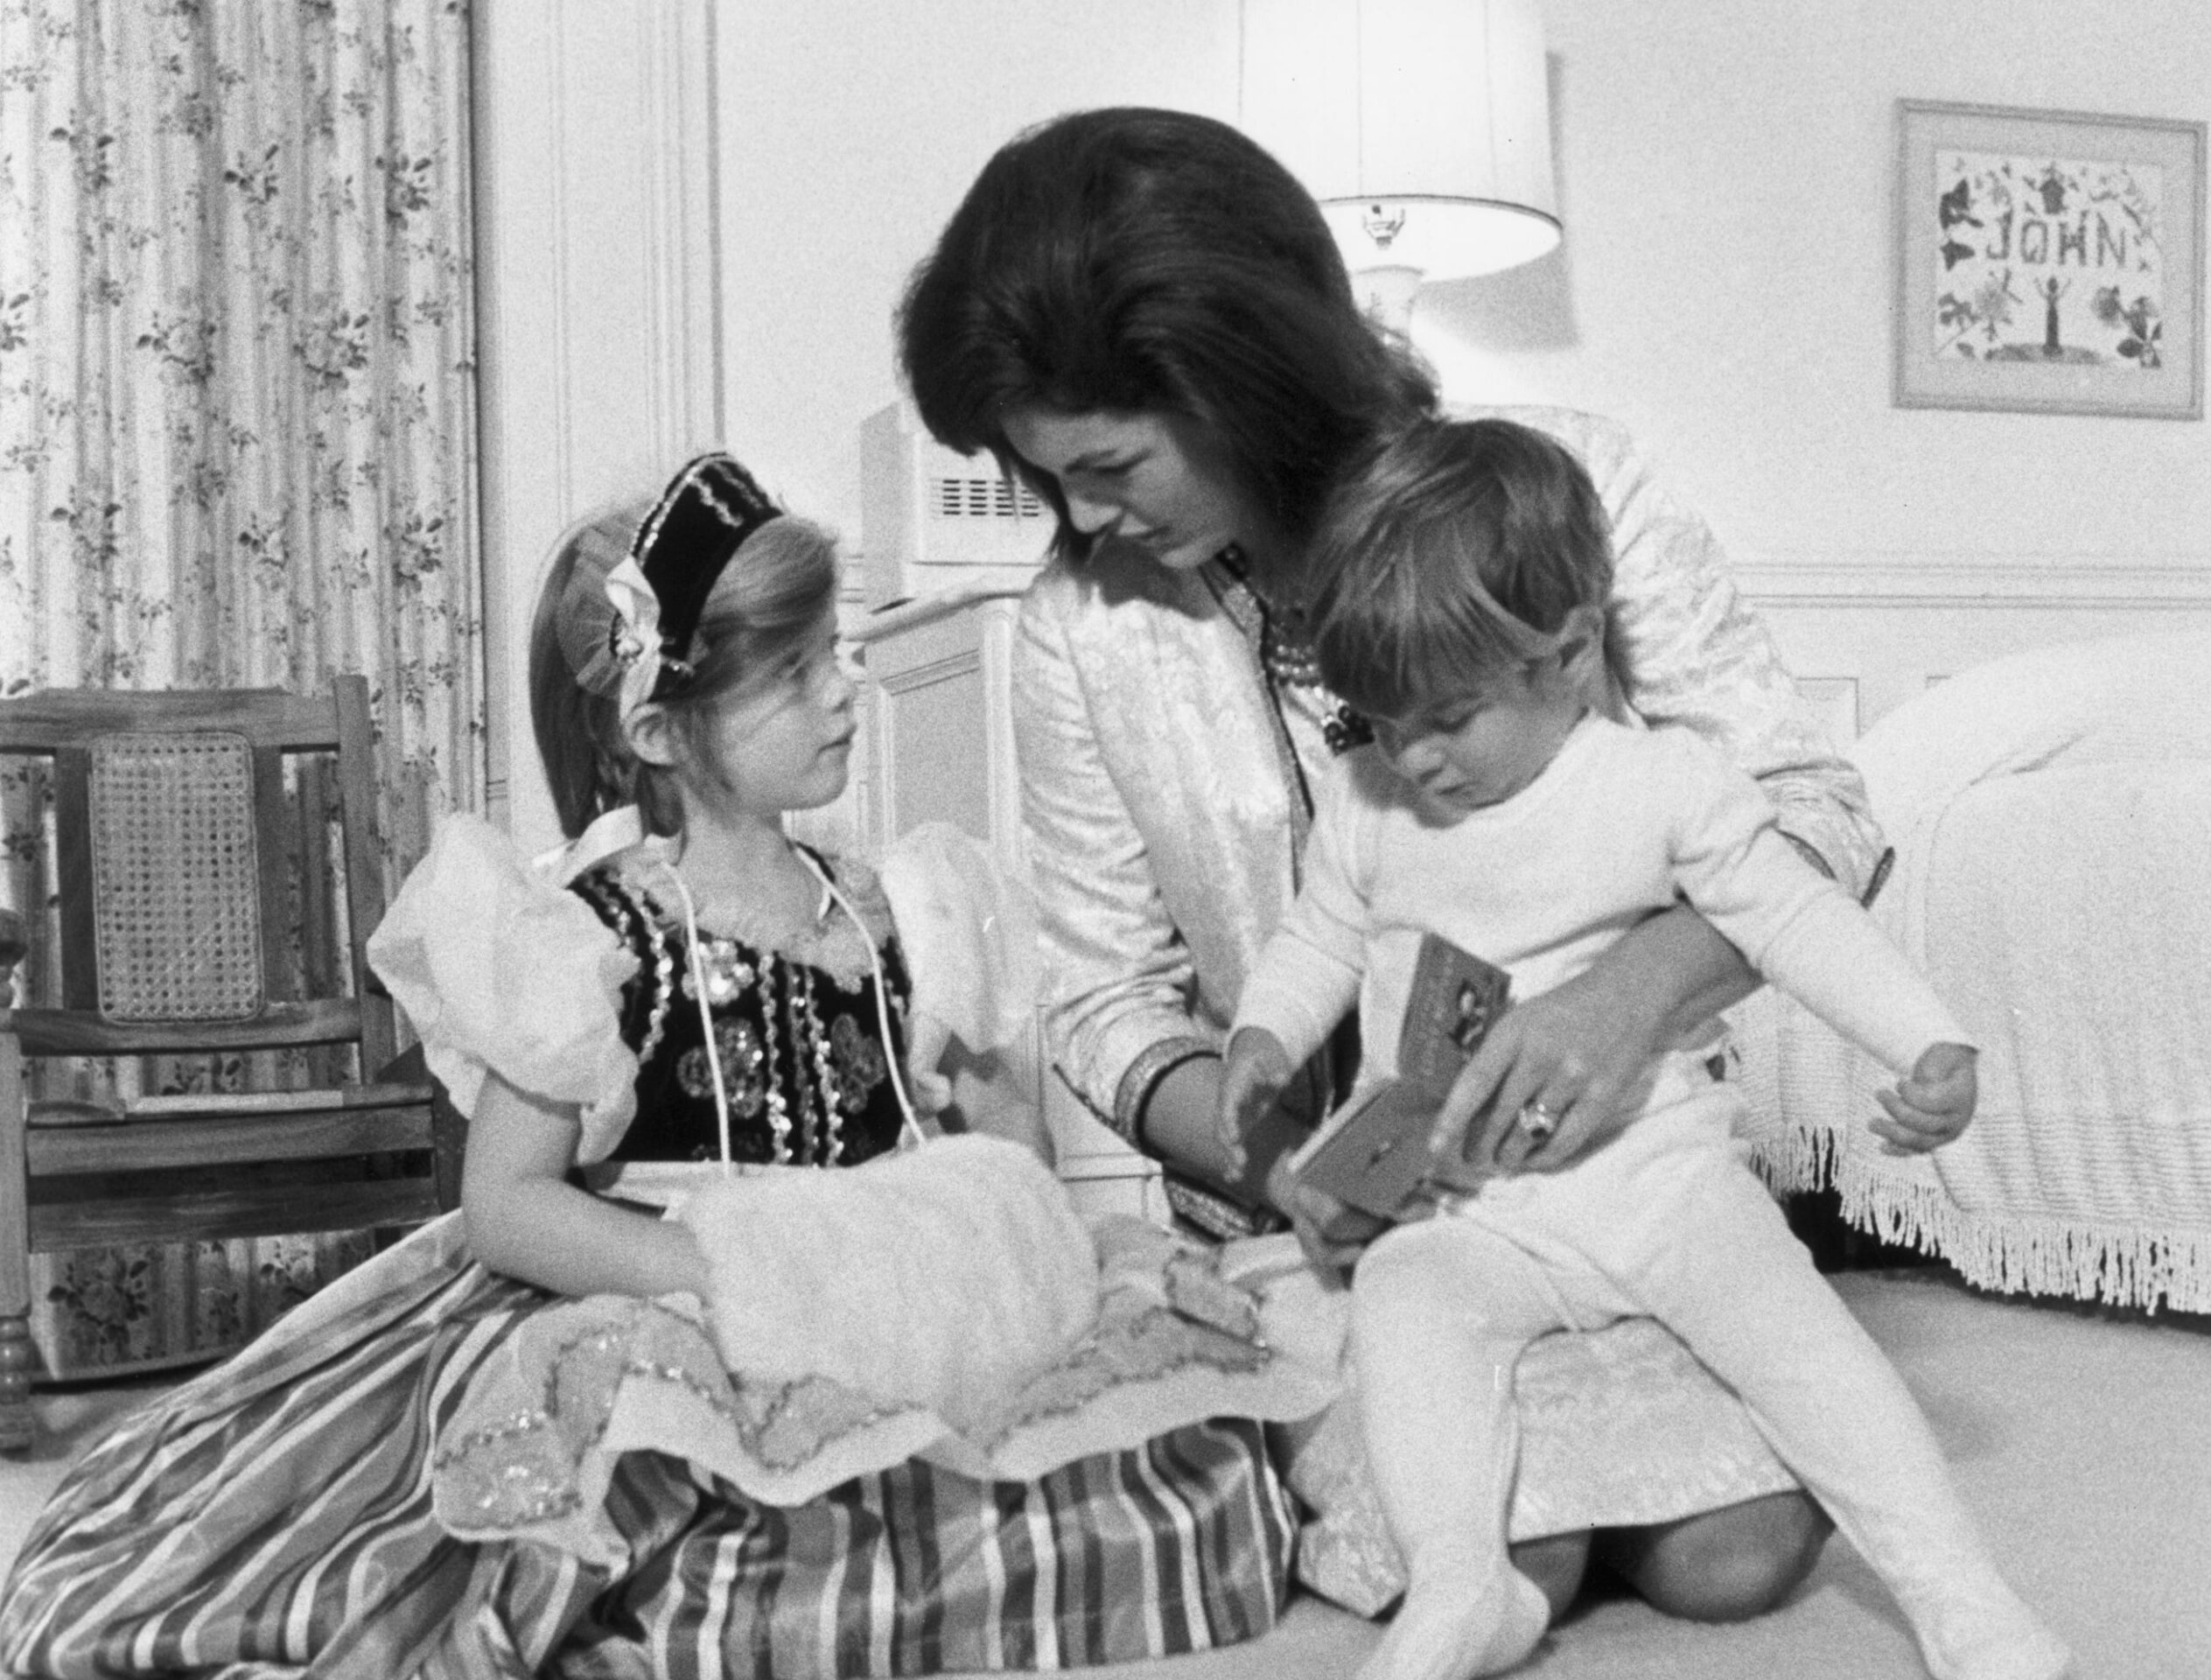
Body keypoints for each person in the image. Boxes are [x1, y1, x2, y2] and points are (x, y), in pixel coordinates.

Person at [0, 452, 1332, 1679]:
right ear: (657, 729)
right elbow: (513, 1203)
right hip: (682, 1276)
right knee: (616, 1437)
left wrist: (970, 1231)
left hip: (882, 1284)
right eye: (796, 670)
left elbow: (1010, 1139)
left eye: (838, 657)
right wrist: (710, 1277)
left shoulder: (903, 906)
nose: (843, 690)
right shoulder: (596, 932)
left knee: (1162, 1441)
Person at [899, 105, 1881, 1619]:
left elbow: (1815, 802)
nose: (1082, 518)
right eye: (1053, 482)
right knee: (1499, 1557)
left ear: (1243, 380)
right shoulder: (1082, 628)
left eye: (1107, 465)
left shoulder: (1568, 486)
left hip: (1611, 1175)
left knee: (1730, 1564)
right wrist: (1282, 1163)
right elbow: (1105, 1002)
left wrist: (1621, 1003)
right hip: (1333, 1236)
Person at [1219, 416, 2072, 1680]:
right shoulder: (1372, 805)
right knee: (1403, 1305)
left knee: (1802, 1339)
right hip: (1472, 1205)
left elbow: (1794, 915)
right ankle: (1462, 1589)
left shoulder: (1658, 784)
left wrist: (1926, 1041)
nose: (1417, 756)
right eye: (1382, 722)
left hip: (1658, 1178)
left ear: (1567, 658)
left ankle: (1960, 1598)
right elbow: (1318, 939)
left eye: (1449, 717)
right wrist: (1260, 1036)